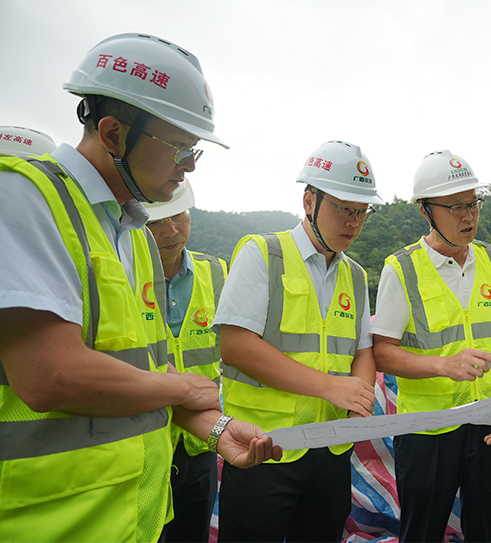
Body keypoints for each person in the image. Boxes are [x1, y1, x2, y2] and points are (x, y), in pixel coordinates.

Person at [0, 34, 280, 543]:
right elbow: (49, 374)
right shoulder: (23, 197)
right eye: (179, 147)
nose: (190, 165)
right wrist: (186, 387)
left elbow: (140, 378)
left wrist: (216, 429)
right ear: (112, 133)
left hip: (134, 518)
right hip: (46, 523)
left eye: (195, 150)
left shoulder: (133, 237)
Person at [214, 140, 381, 543]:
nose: (353, 223)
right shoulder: (263, 254)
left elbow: (363, 351)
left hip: (330, 451)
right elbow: (235, 345)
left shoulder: (355, 276)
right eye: (343, 209)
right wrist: (330, 387)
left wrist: (359, 402)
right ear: (309, 201)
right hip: (265, 447)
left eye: (361, 212)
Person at [371, 150, 491, 543]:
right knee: (421, 532)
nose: (468, 216)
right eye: (456, 207)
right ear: (426, 211)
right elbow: (383, 352)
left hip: (489, 423)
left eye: (473, 204)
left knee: (485, 529)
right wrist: (445, 366)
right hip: (426, 432)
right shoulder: (401, 269)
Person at [143, 181, 228, 543]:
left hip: (201, 443)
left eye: (179, 216)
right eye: (157, 222)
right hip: (148, 439)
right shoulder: (123, 276)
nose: (172, 230)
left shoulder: (218, 274)